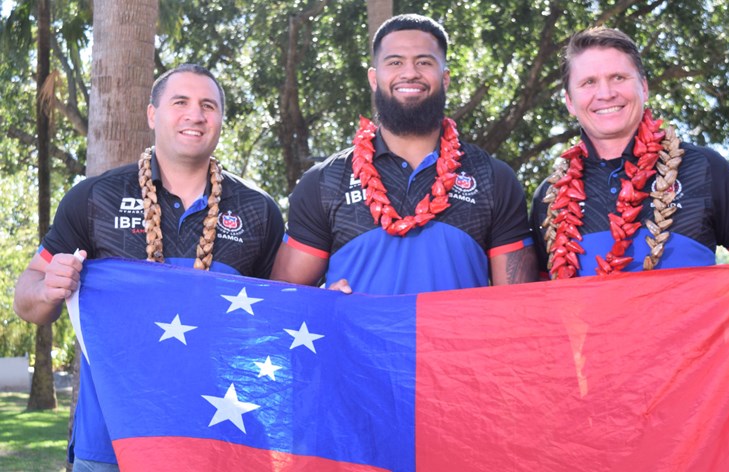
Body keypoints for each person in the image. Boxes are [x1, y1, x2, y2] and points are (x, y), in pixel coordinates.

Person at [13, 64, 285, 470]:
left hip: (218, 437)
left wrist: (334, 304)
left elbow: (280, 315)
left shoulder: (258, 210)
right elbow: (26, 299)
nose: (195, 115)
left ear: (221, 121)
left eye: (208, 105)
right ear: (152, 115)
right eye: (181, 102)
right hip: (112, 442)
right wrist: (48, 286)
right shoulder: (94, 198)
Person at [530, 27, 729, 301]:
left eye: (618, 77)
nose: (605, 93)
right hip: (591, 354)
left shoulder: (703, 168)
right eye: (588, 82)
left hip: (696, 354)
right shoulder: (550, 198)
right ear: (569, 101)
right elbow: (543, 305)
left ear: (643, 87)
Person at [271, 14, 537, 295]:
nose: (410, 72)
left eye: (424, 62)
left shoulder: (492, 178)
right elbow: (281, 298)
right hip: (357, 340)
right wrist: (322, 305)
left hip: (453, 340)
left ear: (445, 78)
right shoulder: (326, 181)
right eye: (395, 62)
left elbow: (519, 305)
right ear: (374, 78)